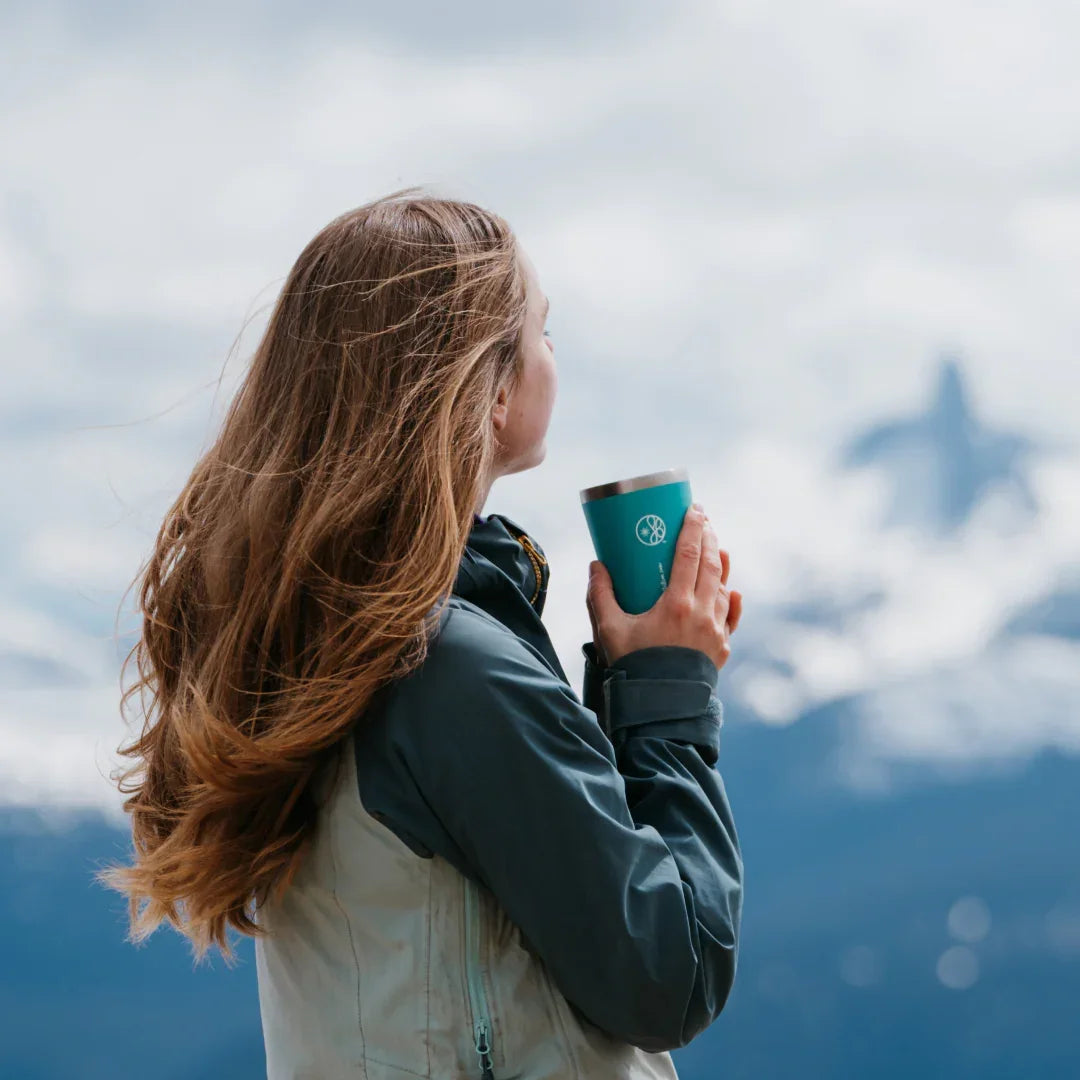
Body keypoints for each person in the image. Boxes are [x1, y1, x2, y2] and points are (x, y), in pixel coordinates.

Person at [97, 187, 745, 1079]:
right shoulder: (450, 672)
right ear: (489, 389)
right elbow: (669, 977)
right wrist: (670, 696)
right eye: (543, 330)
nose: (556, 355)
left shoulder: (310, 643)